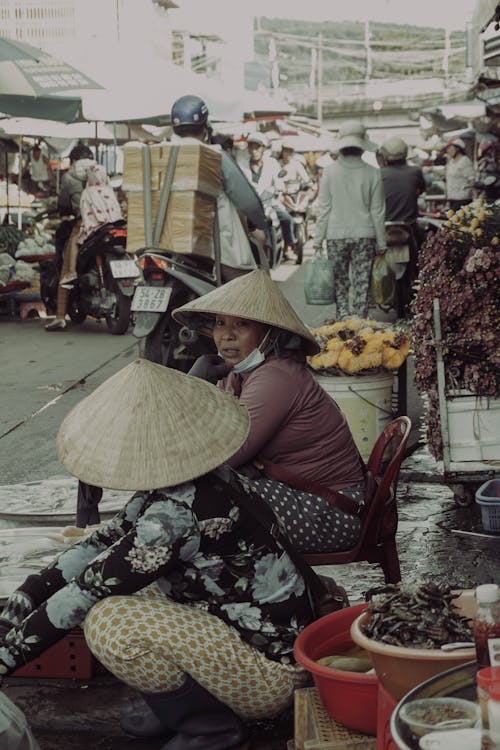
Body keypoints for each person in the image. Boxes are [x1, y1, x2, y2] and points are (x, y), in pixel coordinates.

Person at [0, 359, 314, 750]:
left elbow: (87, 591)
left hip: (271, 672)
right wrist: (26, 595)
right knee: (126, 588)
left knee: (109, 621)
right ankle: (176, 705)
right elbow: (101, 542)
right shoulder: (196, 477)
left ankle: (211, 726)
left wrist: (7, 658)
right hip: (252, 629)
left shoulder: (173, 516)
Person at [173, 268, 366, 554]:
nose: (227, 336)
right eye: (220, 323)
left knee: (199, 501)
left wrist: (192, 390)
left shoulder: (275, 377)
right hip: (301, 497)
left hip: (331, 511)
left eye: (241, 325)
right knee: (178, 500)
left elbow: (224, 455)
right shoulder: (240, 376)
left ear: (268, 333)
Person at [170, 94, 268, 281]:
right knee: (247, 289)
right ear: (205, 127)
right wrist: (260, 223)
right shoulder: (215, 156)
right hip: (214, 249)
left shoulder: (159, 154)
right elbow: (247, 201)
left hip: (165, 245)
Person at [313, 120, 386, 320]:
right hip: (365, 235)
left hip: (335, 235)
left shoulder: (329, 172)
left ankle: (343, 323)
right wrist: (382, 241)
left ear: (342, 146)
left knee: (341, 283)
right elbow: (377, 210)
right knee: (362, 283)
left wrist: (318, 240)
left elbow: (324, 208)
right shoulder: (373, 173)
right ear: (362, 147)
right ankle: (360, 326)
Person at [45, 144, 96, 332]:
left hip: (84, 223)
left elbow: (63, 203)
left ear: (74, 160)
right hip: (109, 222)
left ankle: (59, 317)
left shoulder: (70, 176)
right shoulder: (100, 171)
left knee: (67, 264)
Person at [378, 136, 426, 314]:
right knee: (424, 256)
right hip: (409, 227)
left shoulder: (379, 174)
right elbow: (421, 190)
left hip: (385, 228)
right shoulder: (415, 172)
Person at [239, 132, 297, 260]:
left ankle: (288, 248)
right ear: (248, 148)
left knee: (287, 219)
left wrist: (281, 189)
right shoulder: (242, 165)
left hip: (269, 202)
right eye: (251, 147)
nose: (254, 151)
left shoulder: (272, 163)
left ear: (263, 149)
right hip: (250, 206)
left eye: (257, 147)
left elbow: (279, 181)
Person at [445, 137, 475, 211]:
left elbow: (472, 178)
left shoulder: (465, 161)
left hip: (463, 199)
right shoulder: (451, 162)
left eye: (450, 148)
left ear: (458, 148)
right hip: (452, 198)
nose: (448, 151)